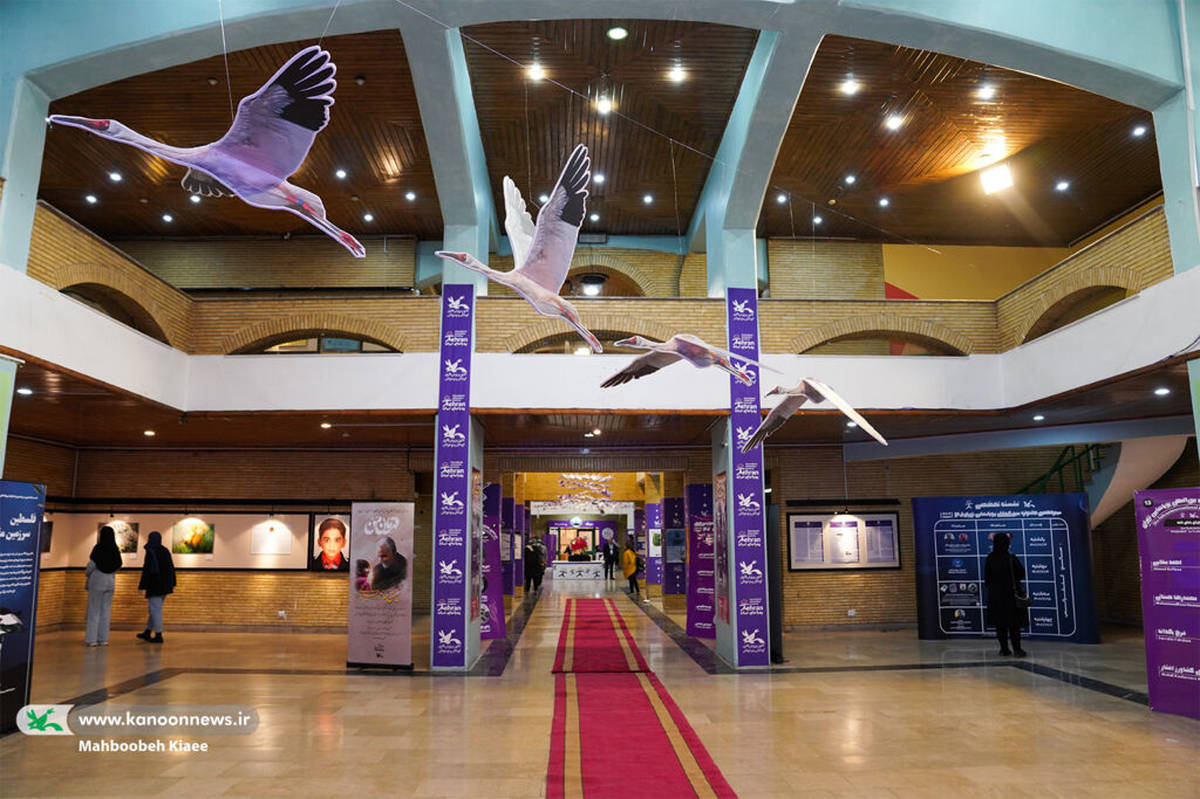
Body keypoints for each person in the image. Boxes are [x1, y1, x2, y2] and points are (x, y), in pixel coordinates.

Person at [984, 533, 1028, 657]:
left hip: (996, 597)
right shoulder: (1011, 558)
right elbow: (1021, 574)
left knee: (1000, 625)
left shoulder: (990, 558)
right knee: (1014, 624)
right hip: (1011, 596)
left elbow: (987, 579)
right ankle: (1017, 649)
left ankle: (1004, 649)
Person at [84, 525, 122, 646]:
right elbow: (119, 565)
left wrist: (87, 574)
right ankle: (103, 639)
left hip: (97, 581)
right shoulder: (115, 549)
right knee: (106, 612)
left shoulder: (98, 548)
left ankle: (91, 639)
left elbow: (91, 565)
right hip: (110, 582)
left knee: (94, 611)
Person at [136, 531, 175, 644]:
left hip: (155, 585)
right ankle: (148, 631)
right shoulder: (165, 550)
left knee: (155, 610)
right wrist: (173, 583)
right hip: (165, 585)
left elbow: (147, 570)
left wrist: (142, 586)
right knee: (154, 609)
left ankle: (158, 635)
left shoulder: (151, 551)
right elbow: (171, 567)